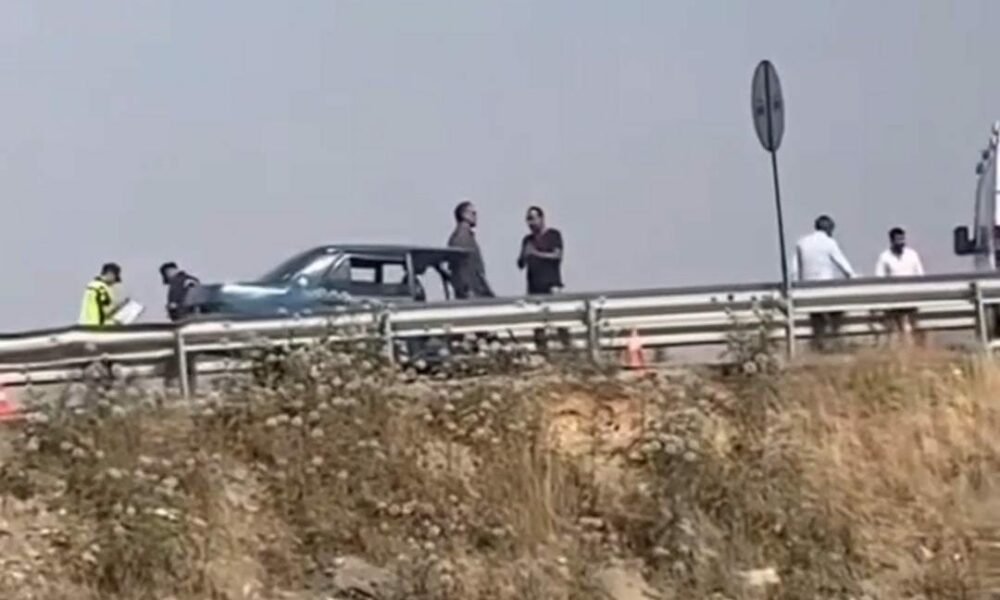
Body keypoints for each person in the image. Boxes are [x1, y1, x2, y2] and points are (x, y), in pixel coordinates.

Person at [793, 215, 856, 350]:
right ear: (829, 229)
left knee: (816, 318)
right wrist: (853, 278)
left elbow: (794, 269)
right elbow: (842, 263)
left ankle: (817, 344)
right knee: (837, 311)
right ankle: (834, 338)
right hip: (826, 288)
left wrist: (796, 287)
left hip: (807, 289)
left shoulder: (802, 242)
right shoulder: (829, 242)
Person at [517, 206, 570, 352]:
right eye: (528, 219)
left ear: (541, 218)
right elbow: (520, 264)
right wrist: (524, 255)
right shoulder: (527, 240)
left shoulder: (553, 235)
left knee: (560, 319)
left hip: (551, 284)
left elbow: (557, 255)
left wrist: (536, 253)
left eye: (533, 218)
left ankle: (568, 348)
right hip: (534, 287)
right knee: (538, 324)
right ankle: (542, 351)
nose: (531, 222)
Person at [874, 227, 925, 344]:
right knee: (895, 327)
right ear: (892, 241)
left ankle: (914, 346)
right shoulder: (885, 257)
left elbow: (920, 275)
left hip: (911, 296)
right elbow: (879, 277)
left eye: (902, 239)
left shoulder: (912, 255)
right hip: (893, 298)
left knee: (912, 324)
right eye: (898, 239)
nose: (901, 242)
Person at [446, 200, 494, 299]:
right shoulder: (461, 238)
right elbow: (460, 267)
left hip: (477, 290)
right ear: (464, 215)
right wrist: (467, 290)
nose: (476, 217)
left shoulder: (467, 237)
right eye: (473, 213)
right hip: (472, 292)